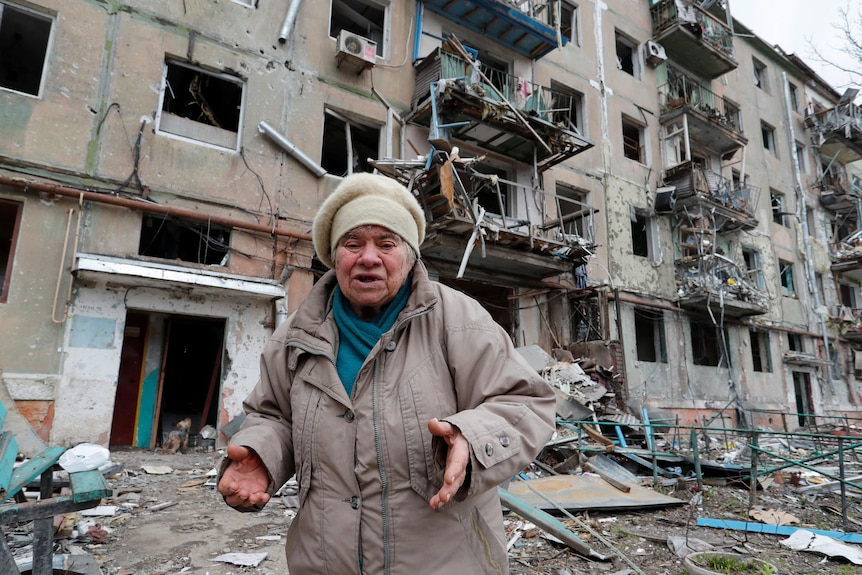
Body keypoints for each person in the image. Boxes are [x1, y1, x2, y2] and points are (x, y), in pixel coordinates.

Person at [218, 172, 555, 574]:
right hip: (325, 560)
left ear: (410, 256)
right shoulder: (297, 335)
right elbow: (273, 416)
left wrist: (471, 438)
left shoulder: (459, 320)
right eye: (352, 243)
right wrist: (261, 453)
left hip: (444, 561)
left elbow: (526, 401)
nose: (369, 257)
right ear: (333, 254)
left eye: (387, 244)